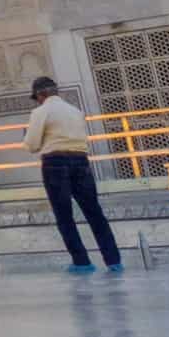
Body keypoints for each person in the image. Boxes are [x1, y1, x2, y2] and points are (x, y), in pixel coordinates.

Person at [25, 76, 123, 274]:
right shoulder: (75, 111)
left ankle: (81, 261)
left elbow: (32, 145)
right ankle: (113, 260)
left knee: (64, 216)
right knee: (95, 213)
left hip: (55, 164)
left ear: (40, 95)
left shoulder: (40, 112)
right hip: (81, 161)